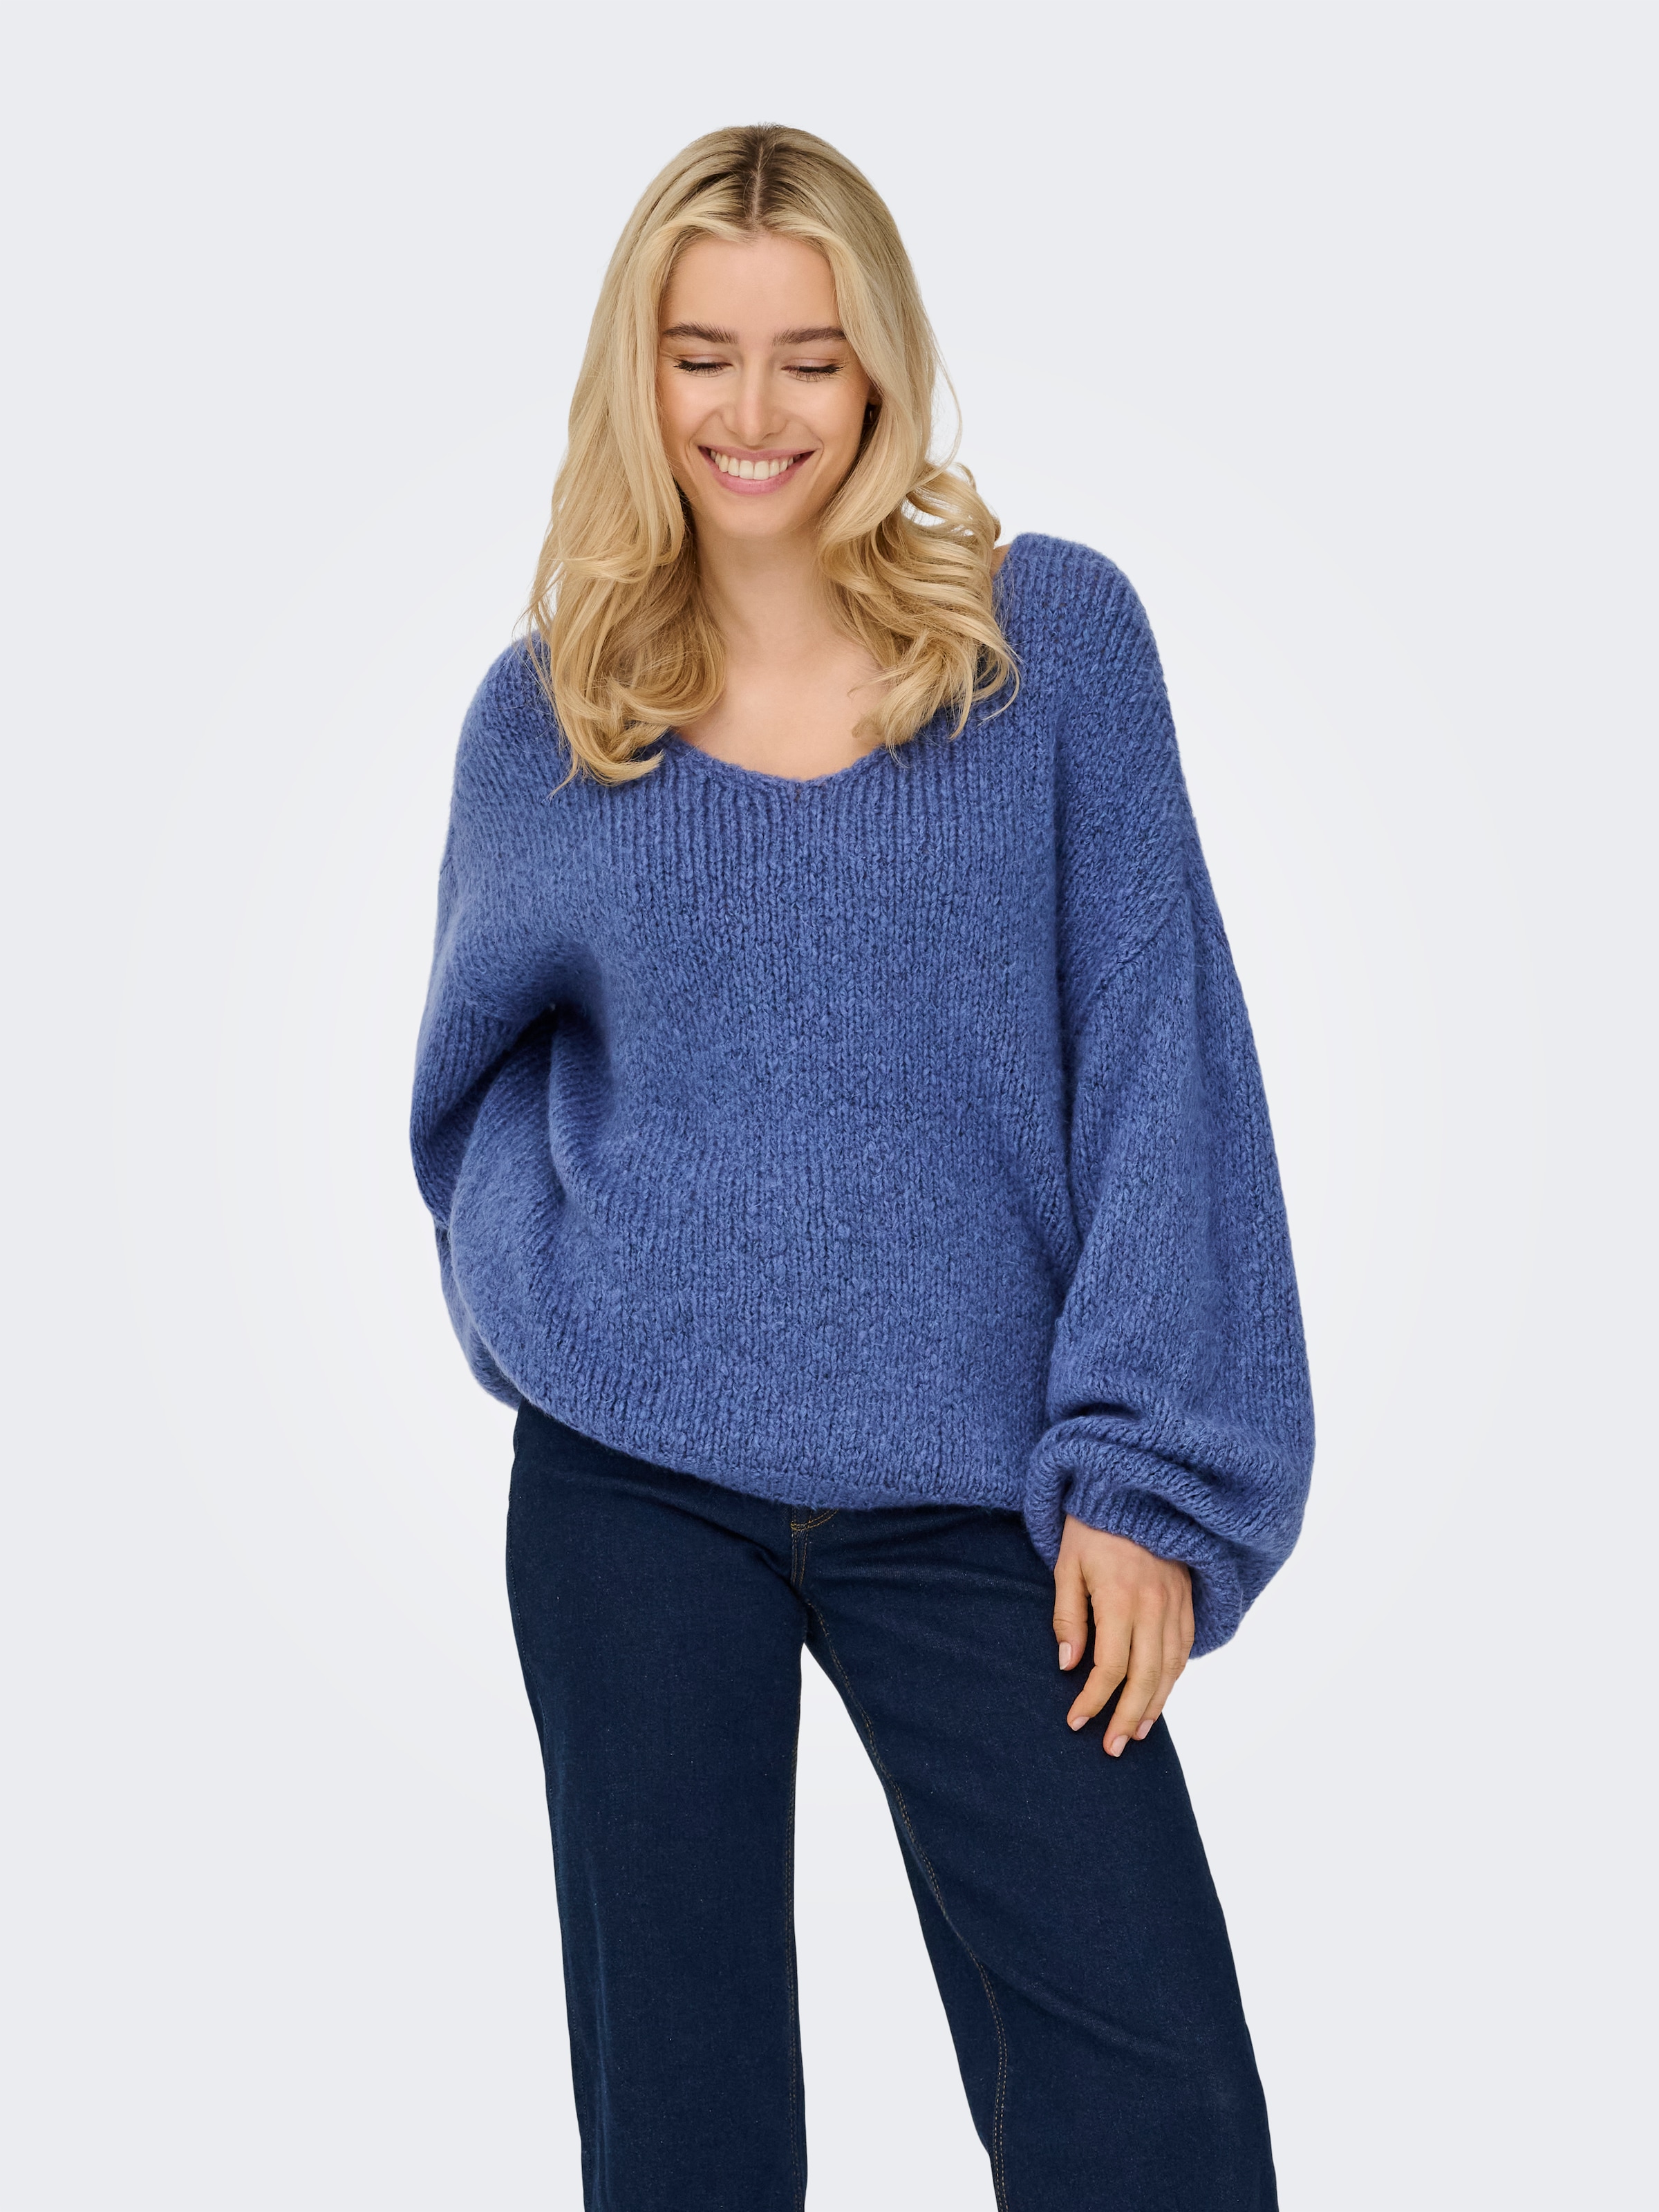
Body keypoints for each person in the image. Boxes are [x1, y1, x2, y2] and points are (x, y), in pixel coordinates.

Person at [411, 122, 1313, 2212]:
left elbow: (1163, 1061)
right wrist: (568, 1316)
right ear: (635, 373)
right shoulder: (551, 718)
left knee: (1160, 2117)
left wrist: (1146, 1475)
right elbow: (469, 1096)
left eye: (809, 356)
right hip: (633, 1488)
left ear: (883, 365)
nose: (755, 412)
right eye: (702, 354)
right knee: (688, 2140)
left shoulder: (1047, 646)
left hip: (983, 1491)